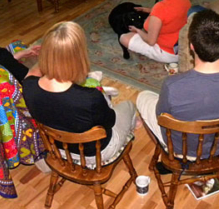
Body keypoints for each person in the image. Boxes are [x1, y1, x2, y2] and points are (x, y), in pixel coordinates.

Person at [136, 9, 219, 157]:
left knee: (143, 96)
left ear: (192, 46)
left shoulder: (173, 86)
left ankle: (172, 157)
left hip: (182, 150)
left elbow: (161, 117)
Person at [22, 22, 136, 161]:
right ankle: (131, 130)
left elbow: (32, 74)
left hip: (57, 148)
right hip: (94, 154)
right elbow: (109, 123)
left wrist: (51, 55)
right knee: (128, 106)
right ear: (79, 57)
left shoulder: (28, 86)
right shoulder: (90, 98)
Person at [119, 0, 191, 63]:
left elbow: (151, 41)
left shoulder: (160, 8)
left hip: (167, 53)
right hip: (184, 47)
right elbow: (172, 11)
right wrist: (150, 10)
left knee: (124, 38)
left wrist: (138, 31)